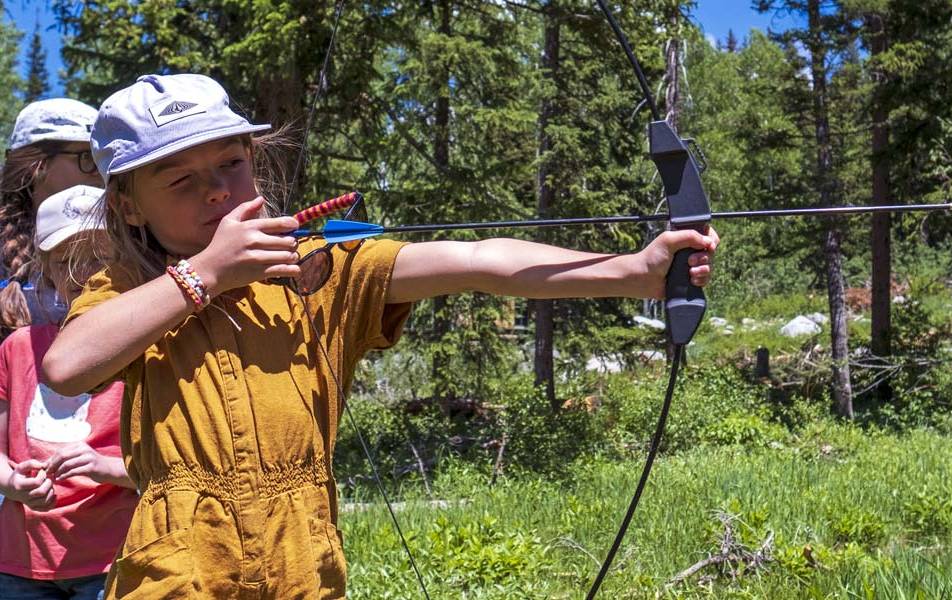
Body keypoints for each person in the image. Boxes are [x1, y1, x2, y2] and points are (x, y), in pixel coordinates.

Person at [42, 73, 719, 598]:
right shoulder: (132, 293)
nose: (217, 192)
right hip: (180, 571)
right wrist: (207, 274)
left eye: (230, 164)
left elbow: (481, 262)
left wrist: (632, 272)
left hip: (302, 563)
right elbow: (68, 366)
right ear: (129, 204)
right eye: (182, 180)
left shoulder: (322, 271)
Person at [0, 185, 138, 600]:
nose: (85, 273)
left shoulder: (148, 347)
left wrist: (104, 466)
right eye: (66, 261)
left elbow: (170, 469)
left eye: (100, 257)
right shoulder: (19, 347)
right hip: (20, 562)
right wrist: (10, 482)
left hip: (112, 560)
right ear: (46, 269)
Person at [1, 99, 103, 338]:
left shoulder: (128, 237)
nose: (101, 172)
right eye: (87, 158)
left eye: (103, 158)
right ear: (39, 166)